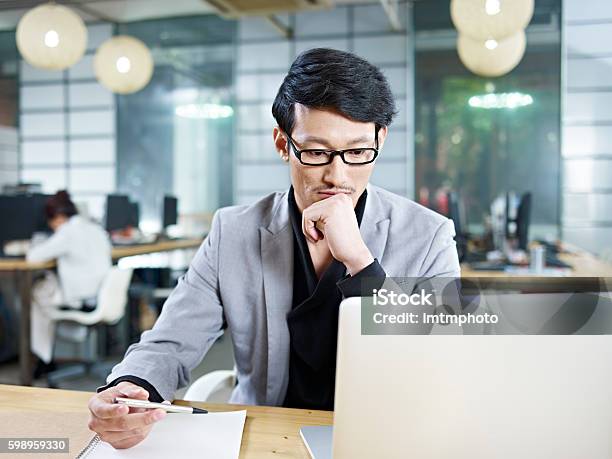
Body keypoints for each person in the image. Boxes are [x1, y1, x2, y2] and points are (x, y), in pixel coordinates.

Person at [88, 48, 461, 449]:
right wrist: (132, 389)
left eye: (356, 152)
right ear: (283, 143)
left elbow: (437, 370)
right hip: (264, 437)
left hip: (382, 440)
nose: (338, 176)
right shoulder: (233, 231)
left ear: (379, 139)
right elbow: (171, 342)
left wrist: (360, 263)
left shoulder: (429, 237)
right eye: (316, 152)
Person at [27, 190, 111, 371]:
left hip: (81, 300)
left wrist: (35, 242)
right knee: (45, 289)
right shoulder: (96, 229)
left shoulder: (67, 232)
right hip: (100, 295)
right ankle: (46, 355)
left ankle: (43, 359)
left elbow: (33, 257)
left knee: (37, 293)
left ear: (56, 217)